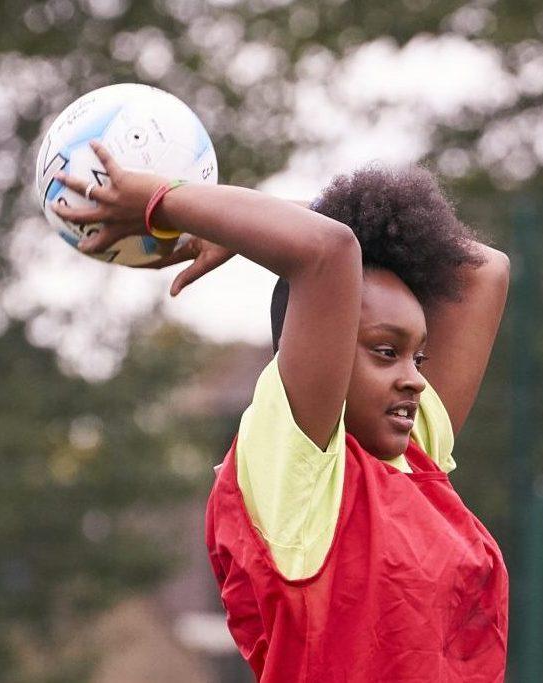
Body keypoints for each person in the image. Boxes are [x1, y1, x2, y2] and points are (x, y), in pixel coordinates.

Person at [52, 142, 512, 682]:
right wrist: (165, 200)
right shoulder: (297, 474)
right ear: (321, 352)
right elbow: (328, 252)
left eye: (419, 355)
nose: (414, 377)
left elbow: (483, 270)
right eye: (386, 352)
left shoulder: (412, 465)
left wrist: (236, 224)